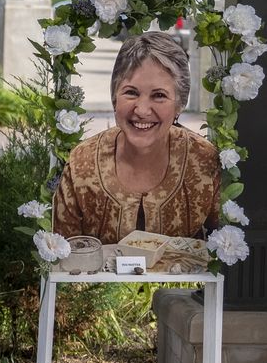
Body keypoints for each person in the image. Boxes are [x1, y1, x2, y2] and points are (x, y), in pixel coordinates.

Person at [52, 31, 220, 245]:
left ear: (179, 103)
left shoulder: (204, 161)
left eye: (159, 95)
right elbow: (63, 259)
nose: (141, 110)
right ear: (114, 97)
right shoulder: (82, 163)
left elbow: (225, 253)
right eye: (131, 92)